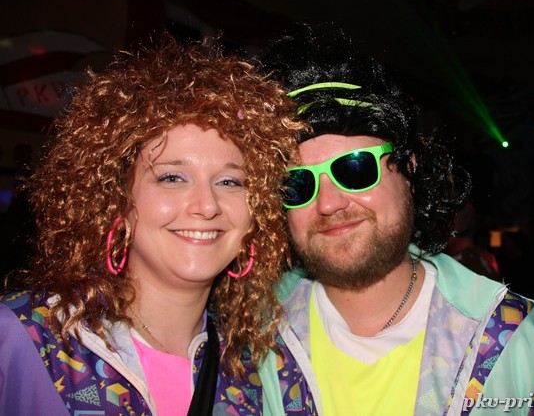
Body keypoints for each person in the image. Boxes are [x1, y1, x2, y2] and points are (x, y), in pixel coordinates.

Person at [256, 24, 534, 415]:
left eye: (355, 168)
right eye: (297, 183)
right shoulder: (249, 339)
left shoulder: (530, 348)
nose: (328, 203)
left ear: (408, 171)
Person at [0, 33, 308, 416]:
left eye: (230, 182)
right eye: (172, 177)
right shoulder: (27, 338)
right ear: (117, 198)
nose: (206, 206)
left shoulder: (269, 370)